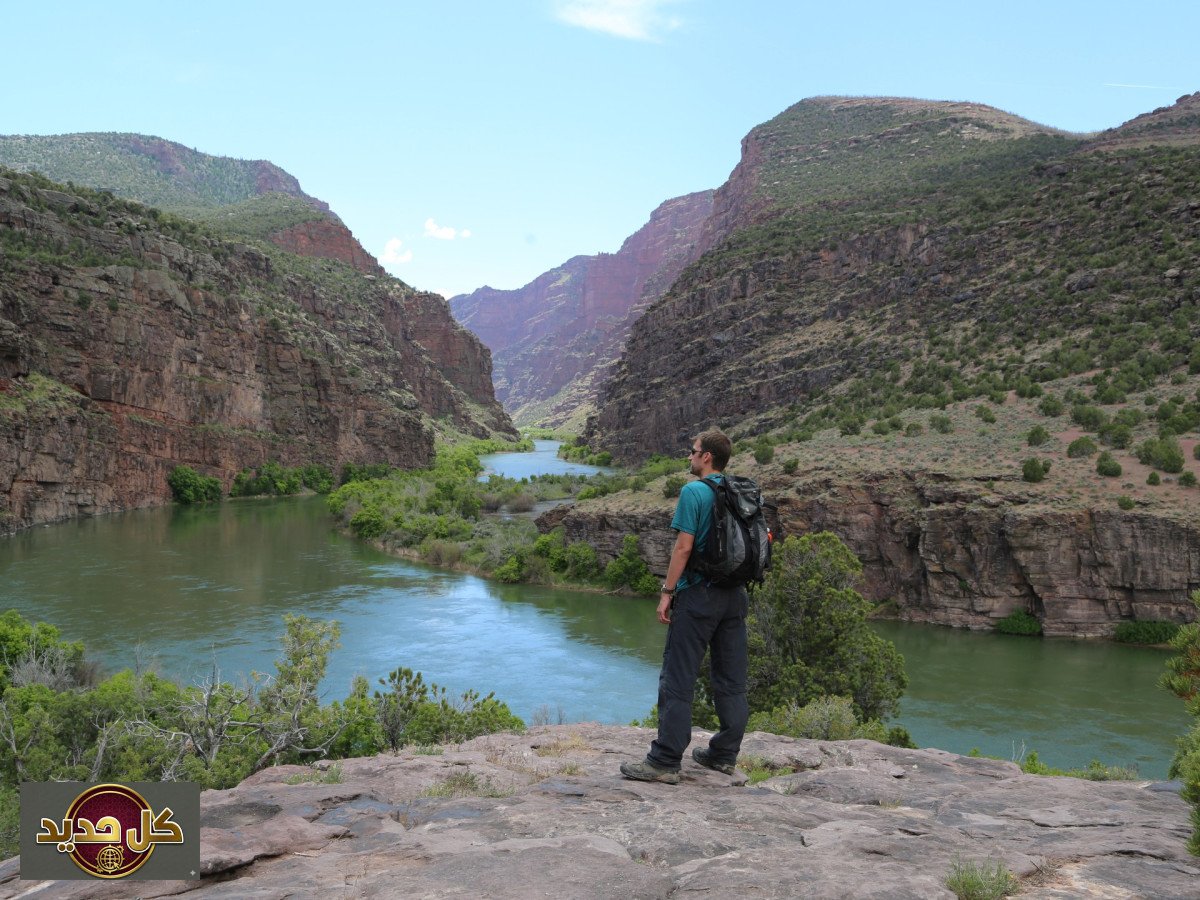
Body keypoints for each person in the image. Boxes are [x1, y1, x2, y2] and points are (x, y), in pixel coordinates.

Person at [620, 428, 749, 784]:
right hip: (735, 596)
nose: (689, 458)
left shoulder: (695, 491)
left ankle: (664, 761)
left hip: (699, 595)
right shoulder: (739, 489)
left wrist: (667, 591)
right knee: (731, 679)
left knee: (677, 678)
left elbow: (683, 547)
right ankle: (724, 755)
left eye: (693, 452)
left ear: (707, 456)